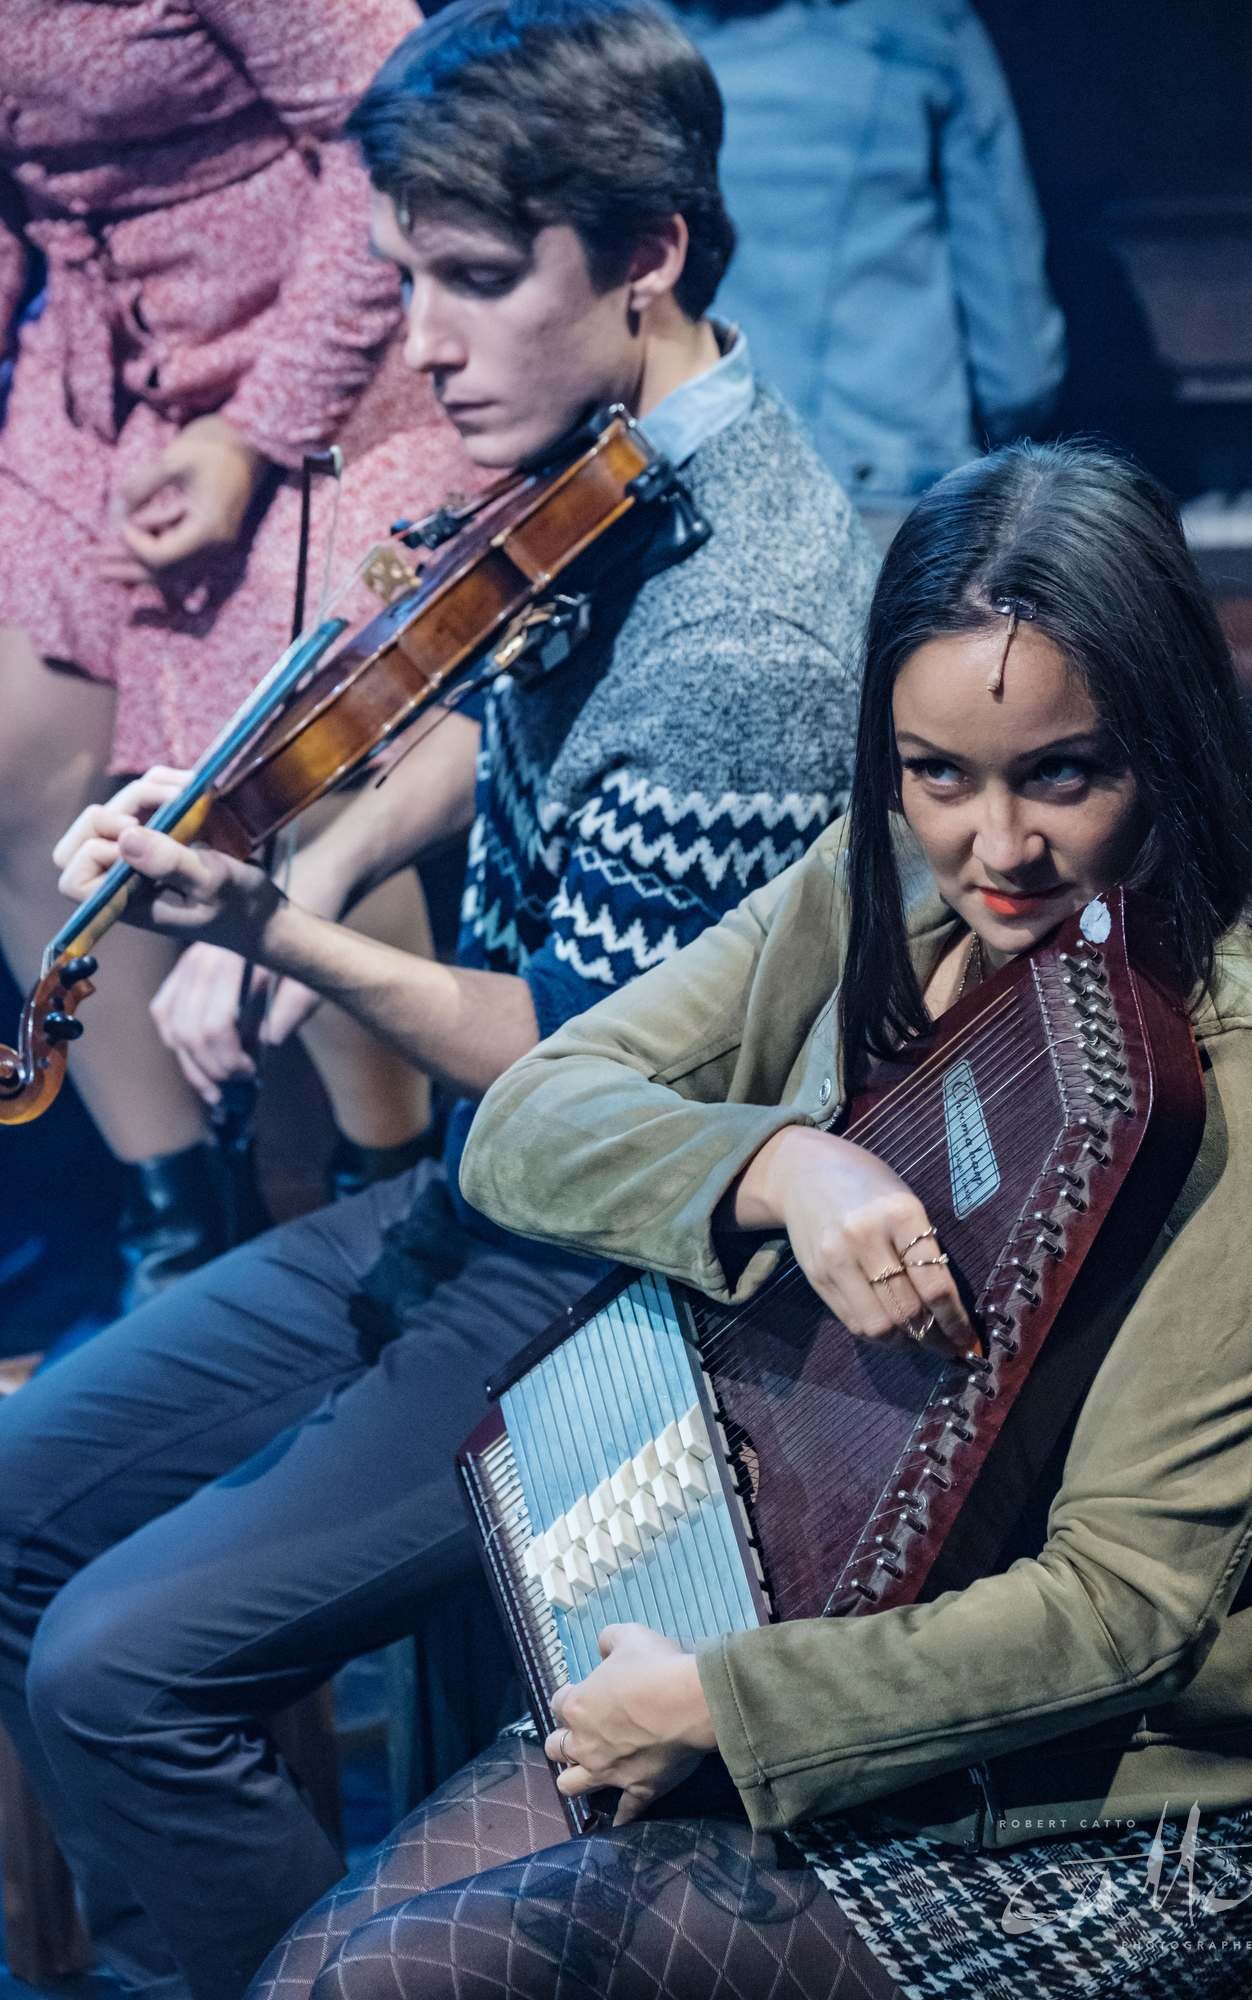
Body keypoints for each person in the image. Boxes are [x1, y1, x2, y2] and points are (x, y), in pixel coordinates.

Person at [0, 4, 878, 1996]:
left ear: (648, 252)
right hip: (491, 1205)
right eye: (404, 276)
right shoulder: (616, 458)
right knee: (17, 1503)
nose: (421, 342)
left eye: (477, 284)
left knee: (120, 1662)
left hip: (616, 1266)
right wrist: (299, 855)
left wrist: (282, 935)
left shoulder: (748, 623)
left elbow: (597, 1077)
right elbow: (484, 698)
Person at [246, 439, 1252, 2000]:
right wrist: (778, 1166)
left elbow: (1122, 1613)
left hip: (1121, 1806)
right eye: (938, 771)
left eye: (1063, 773)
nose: (996, 846)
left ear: (1168, 747)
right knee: (330, 1966)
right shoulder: (877, 884)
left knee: (418, 1976)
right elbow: (534, 1121)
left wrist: (718, 1706)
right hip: (799, 1630)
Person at [0, 0, 483, 1301]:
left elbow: (399, 127)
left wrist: (254, 430)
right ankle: (179, 1222)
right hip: (98, 375)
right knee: (9, 736)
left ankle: (390, 1195)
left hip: (334, 347)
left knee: (280, 732)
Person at [666, 0, 1065, 521]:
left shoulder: (610, 32)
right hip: (890, 481)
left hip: (684, 489)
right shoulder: (921, 25)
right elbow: (1015, 352)